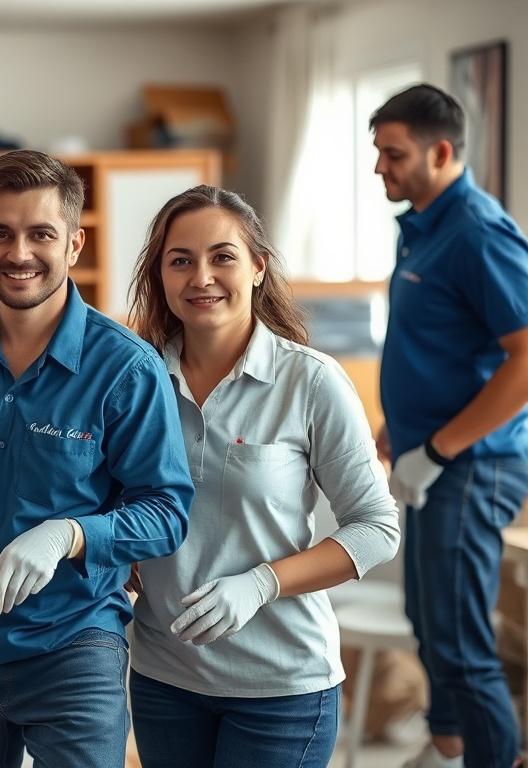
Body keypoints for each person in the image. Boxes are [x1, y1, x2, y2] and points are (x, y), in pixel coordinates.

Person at [0, 149, 194, 768]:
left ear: (75, 243)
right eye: (1, 233)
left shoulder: (126, 369)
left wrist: (70, 534)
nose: (19, 253)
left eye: (40, 233)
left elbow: (167, 509)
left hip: (74, 647)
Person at [126, 185, 400, 767]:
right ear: (161, 275)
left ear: (257, 267)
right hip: (163, 679)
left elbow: (376, 529)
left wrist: (259, 584)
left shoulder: (311, 383)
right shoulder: (135, 382)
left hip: (281, 688)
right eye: (181, 260)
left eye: (222, 256)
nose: (202, 277)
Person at [370, 84, 528, 768]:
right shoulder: (424, 222)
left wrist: (435, 447)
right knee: (428, 630)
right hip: (427, 459)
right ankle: (449, 750)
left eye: (393, 154)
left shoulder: (476, 231)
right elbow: (438, 344)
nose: (380, 168)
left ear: (441, 152)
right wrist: (397, 427)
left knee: (462, 649)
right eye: (377, 152)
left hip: (469, 466)